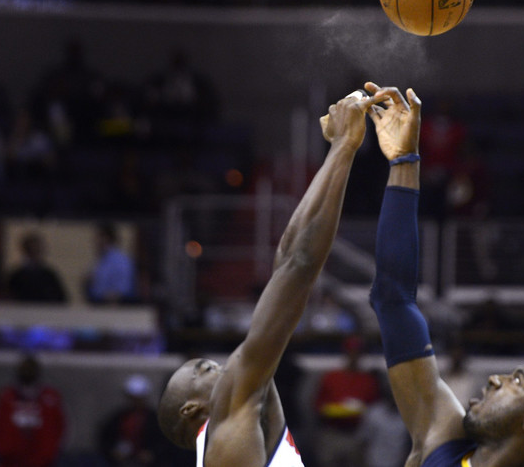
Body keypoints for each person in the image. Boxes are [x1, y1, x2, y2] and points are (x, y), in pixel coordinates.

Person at [360, 82, 524, 467]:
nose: (496, 379)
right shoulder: (443, 437)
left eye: (517, 381)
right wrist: (404, 161)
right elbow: (393, 297)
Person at [156, 88, 383, 466]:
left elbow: (287, 258)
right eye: (201, 369)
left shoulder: (247, 423)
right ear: (191, 411)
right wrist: (345, 146)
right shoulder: (228, 413)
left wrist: (334, 154)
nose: (218, 364)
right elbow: (300, 265)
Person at [313, 336, 380, 467]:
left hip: (357, 434)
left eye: (358, 353)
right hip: (333, 432)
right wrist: (330, 410)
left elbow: (375, 411)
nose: (354, 356)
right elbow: (318, 406)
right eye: (351, 352)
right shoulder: (332, 377)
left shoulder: (368, 380)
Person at [0, 355, 65, 467]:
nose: (27, 371)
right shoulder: (6, 396)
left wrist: (49, 453)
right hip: (10, 461)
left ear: (37, 371)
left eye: (30, 368)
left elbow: (61, 427)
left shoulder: (51, 397)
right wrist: (4, 450)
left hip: (41, 461)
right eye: (24, 368)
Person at [98, 375, 166, 467]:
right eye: (133, 398)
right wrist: (113, 452)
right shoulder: (118, 418)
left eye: (139, 398)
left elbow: (163, 442)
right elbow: (105, 438)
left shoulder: (155, 420)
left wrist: (152, 453)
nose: (136, 401)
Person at [357, 380, 411, 467]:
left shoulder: (408, 417)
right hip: (374, 462)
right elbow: (363, 441)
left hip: (397, 463)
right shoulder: (374, 414)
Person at [7, 233, 68, 304]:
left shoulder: (49, 275)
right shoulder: (16, 276)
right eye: (31, 250)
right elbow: (9, 297)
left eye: (37, 250)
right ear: (25, 251)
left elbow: (61, 298)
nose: (35, 253)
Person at [86, 222, 136, 304]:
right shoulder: (100, 261)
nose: (95, 241)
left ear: (106, 238)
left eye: (98, 237)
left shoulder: (121, 261)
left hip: (114, 308)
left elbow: (122, 291)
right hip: (98, 305)